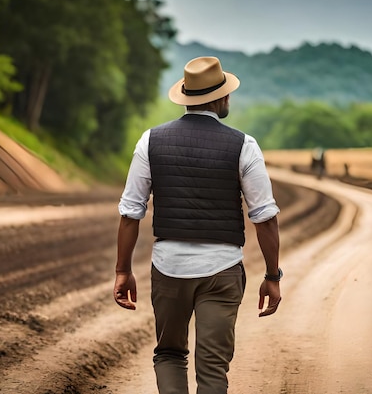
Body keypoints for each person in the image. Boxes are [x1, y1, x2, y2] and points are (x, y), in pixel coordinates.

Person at [114, 56, 283, 394]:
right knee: (213, 368)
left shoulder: (151, 141)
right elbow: (264, 218)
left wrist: (123, 270)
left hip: (168, 268)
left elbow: (131, 212)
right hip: (222, 271)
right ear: (220, 99)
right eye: (227, 94)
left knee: (170, 354)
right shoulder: (244, 145)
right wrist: (272, 276)